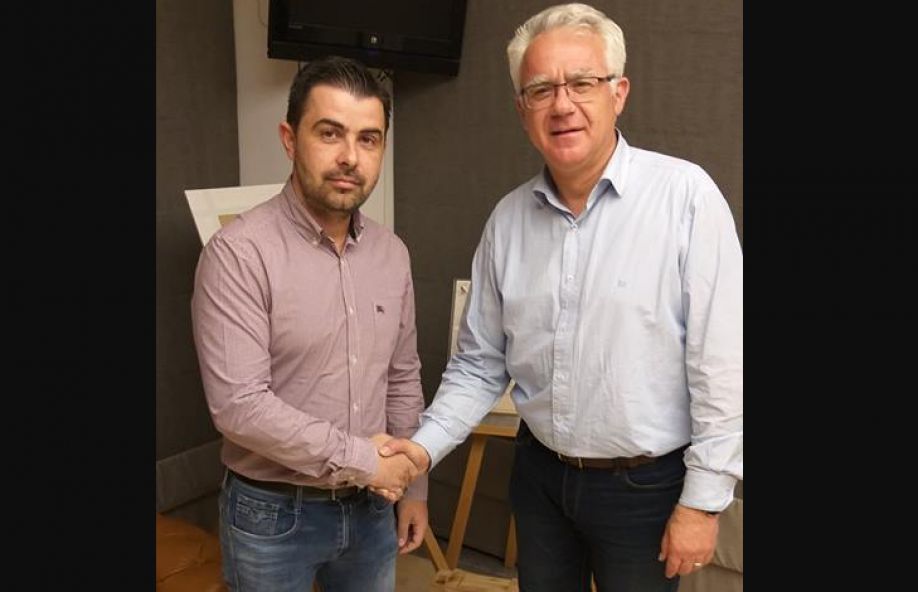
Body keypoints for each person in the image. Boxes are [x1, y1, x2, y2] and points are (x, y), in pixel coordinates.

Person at [381, 4, 743, 591]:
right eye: (541, 89)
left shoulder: (687, 198)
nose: (562, 104)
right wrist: (419, 452)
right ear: (522, 109)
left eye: (582, 83)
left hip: (645, 490)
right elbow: (479, 365)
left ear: (618, 93)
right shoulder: (507, 222)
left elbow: (722, 366)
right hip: (540, 478)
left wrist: (702, 503)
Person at [191, 55, 428, 592]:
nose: (350, 157)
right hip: (273, 517)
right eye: (329, 133)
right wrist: (365, 460)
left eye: (368, 139)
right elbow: (239, 406)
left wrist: (414, 488)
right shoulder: (239, 254)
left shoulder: (392, 254)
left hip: (373, 508)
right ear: (289, 139)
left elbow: (402, 377)